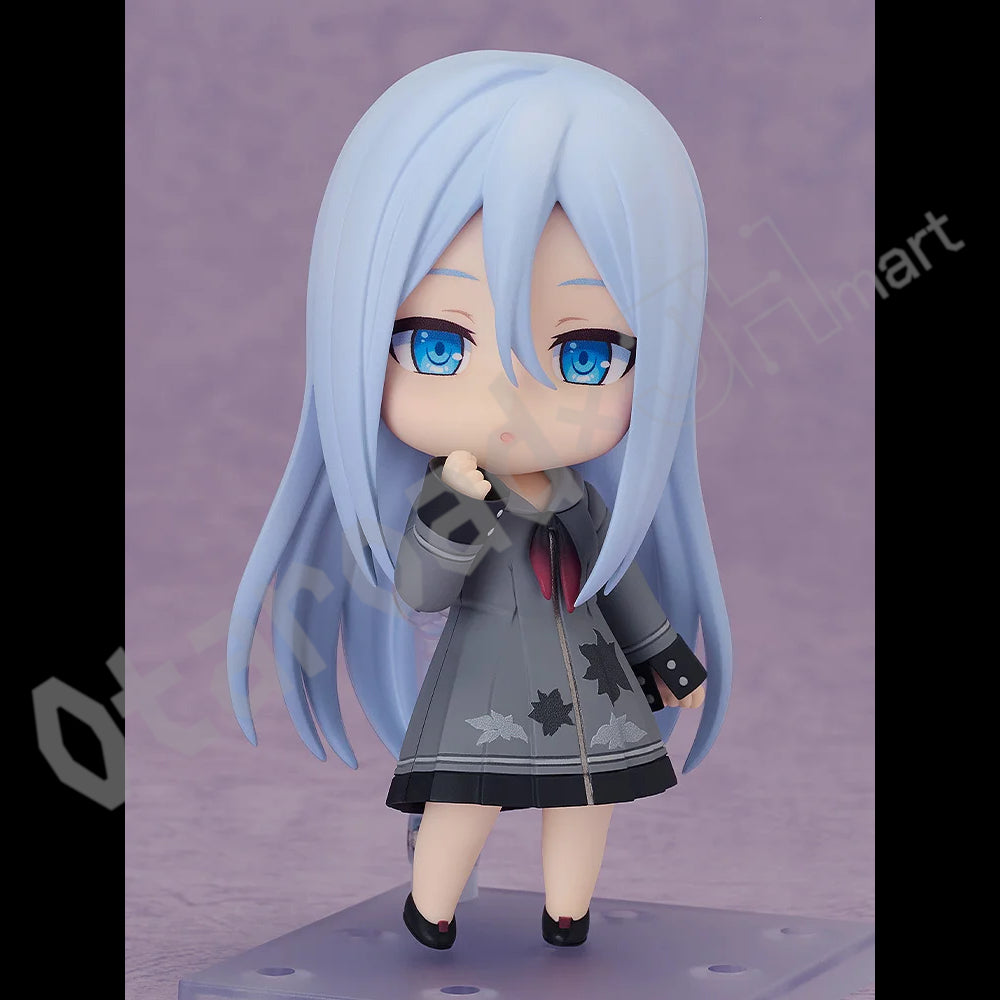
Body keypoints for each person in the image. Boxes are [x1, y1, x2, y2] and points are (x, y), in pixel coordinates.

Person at [228, 50, 732, 951]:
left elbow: (621, 586)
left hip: (589, 688)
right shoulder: (455, 490)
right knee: (462, 801)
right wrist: (455, 506)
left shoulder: (580, 502)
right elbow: (421, 588)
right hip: (482, 690)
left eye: (584, 353)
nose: (512, 396)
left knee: (587, 803)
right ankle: (431, 907)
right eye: (438, 346)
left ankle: (567, 910)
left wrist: (671, 664)